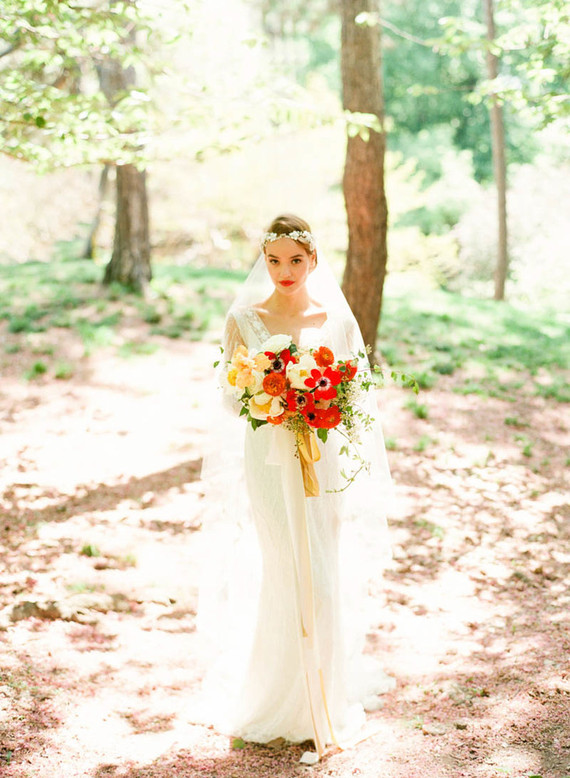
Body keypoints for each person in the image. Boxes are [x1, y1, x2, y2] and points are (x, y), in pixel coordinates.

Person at [198, 214, 393, 764]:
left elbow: (356, 391)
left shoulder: (333, 318)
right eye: (274, 259)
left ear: (313, 261)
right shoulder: (243, 319)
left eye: (296, 260)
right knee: (285, 568)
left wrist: (319, 402)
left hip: (321, 459)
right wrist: (273, 397)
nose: (284, 270)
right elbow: (228, 398)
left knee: (324, 573)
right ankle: (276, 700)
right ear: (263, 260)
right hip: (268, 456)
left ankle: (321, 700)